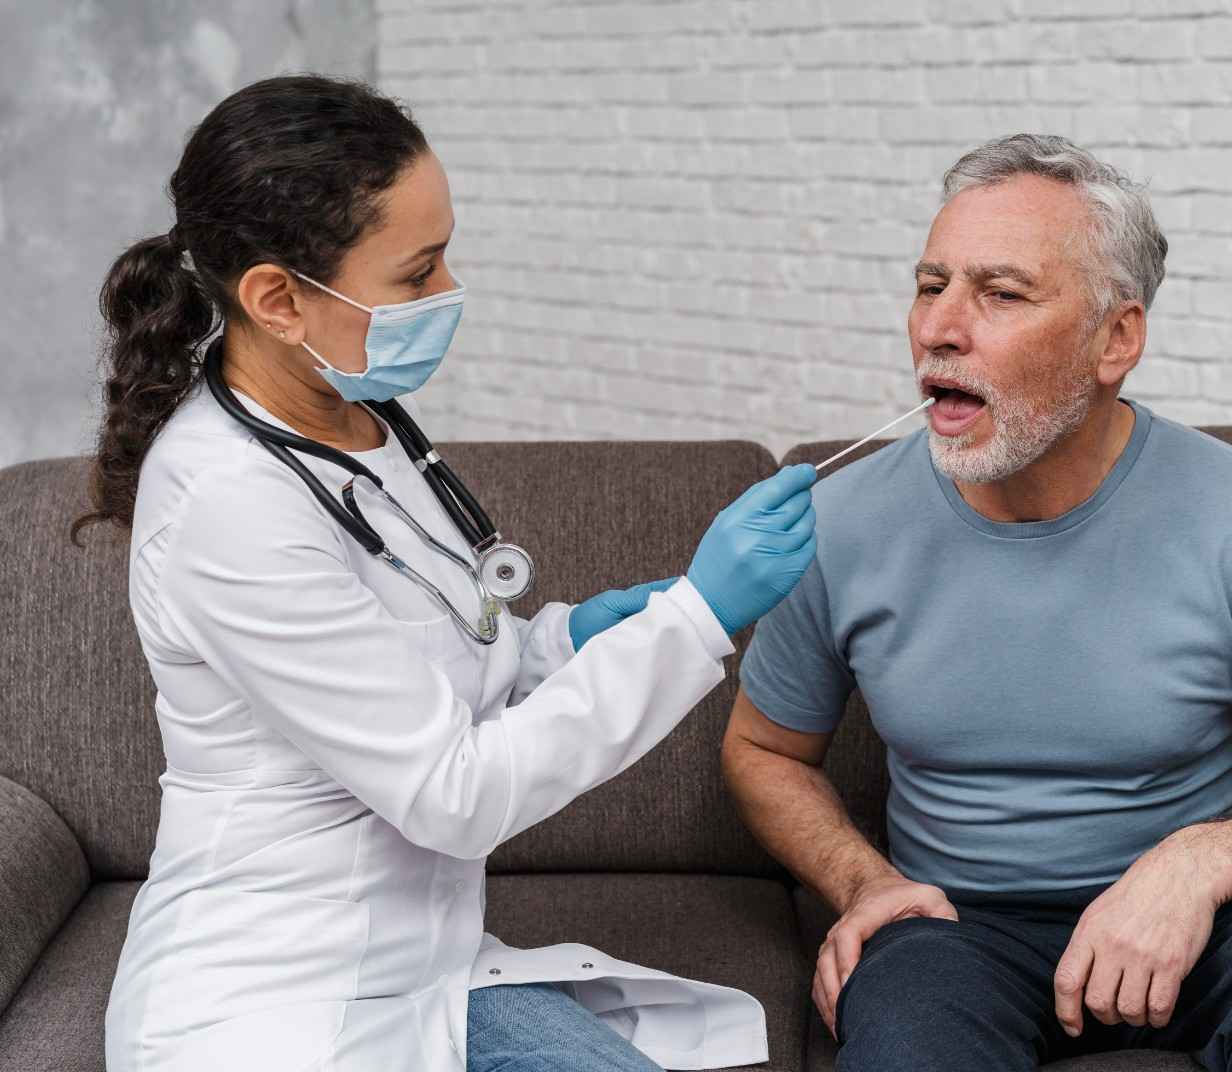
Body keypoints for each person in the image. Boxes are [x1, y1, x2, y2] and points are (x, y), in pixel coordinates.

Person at [74, 75, 815, 1072]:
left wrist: (564, 641)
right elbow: (452, 792)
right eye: (418, 272)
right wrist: (696, 618)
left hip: (425, 974)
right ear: (277, 300)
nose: (447, 293)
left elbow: (429, 661)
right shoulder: (225, 502)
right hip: (271, 1010)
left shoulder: (357, 421)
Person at [722, 134, 1232, 1072]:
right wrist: (865, 884)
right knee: (902, 1006)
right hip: (958, 931)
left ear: (1116, 340)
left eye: (1001, 294)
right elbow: (764, 750)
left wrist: (1202, 862)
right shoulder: (842, 519)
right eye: (931, 286)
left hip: (1201, 924)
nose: (940, 328)